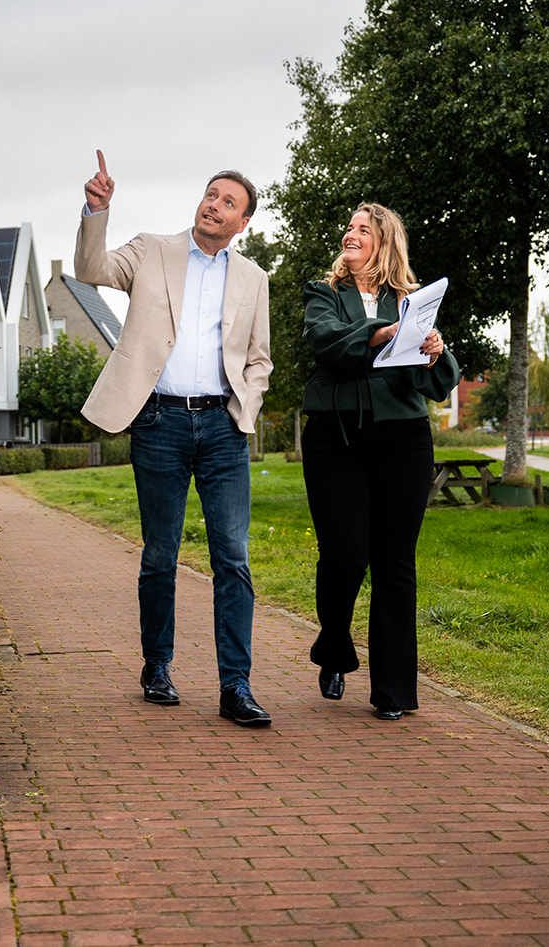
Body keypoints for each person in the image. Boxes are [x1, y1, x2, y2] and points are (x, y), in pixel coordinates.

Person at [75, 151, 274, 727]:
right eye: (211, 194)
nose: (215, 205)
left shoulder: (254, 278)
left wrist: (247, 408)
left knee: (232, 558)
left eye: (229, 202)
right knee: (161, 554)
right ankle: (157, 666)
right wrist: (96, 212)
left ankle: (235, 685)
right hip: (158, 422)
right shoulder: (151, 250)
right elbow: (93, 270)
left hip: (222, 428)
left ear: (243, 223)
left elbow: (258, 357)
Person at [300, 203, 460, 720]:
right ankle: (335, 646)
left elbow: (439, 384)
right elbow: (325, 342)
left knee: (395, 561)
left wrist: (434, 350)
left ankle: (393, 692)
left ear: (385, 242)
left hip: (403, 439)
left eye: (362, 229)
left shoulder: (412, 302)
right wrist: (380, 335)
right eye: (348, 227)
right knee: (345, 552)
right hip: (335, 437)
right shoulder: (323, 294)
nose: (351, 234)